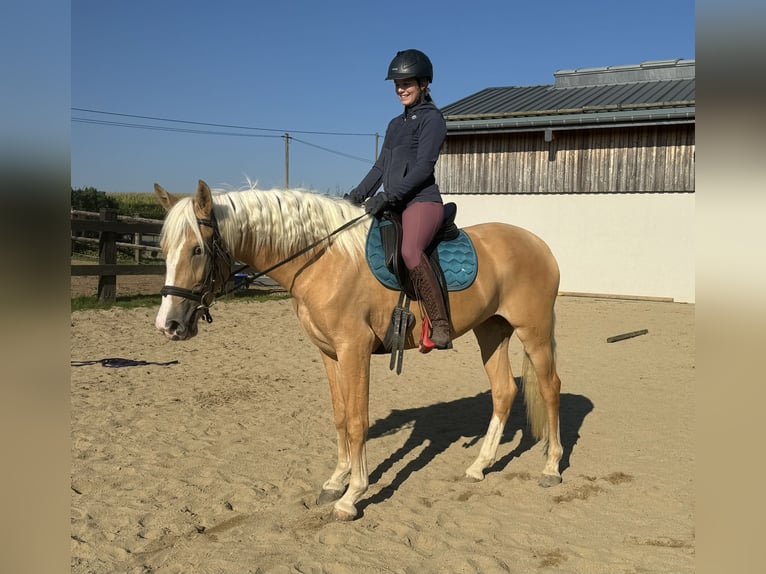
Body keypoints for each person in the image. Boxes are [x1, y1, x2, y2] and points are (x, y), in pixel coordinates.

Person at [346, 49, 451, 350]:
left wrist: (388, 196)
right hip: (395, 203)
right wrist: (357, 195)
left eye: (407, 83)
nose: (401, 89)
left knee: (409, 251)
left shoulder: (432, 120)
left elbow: (423, 168)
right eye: (397, 84)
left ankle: (440, 322)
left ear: (423, 84)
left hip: (422, 202)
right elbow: (380, 167)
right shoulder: (395, 124)